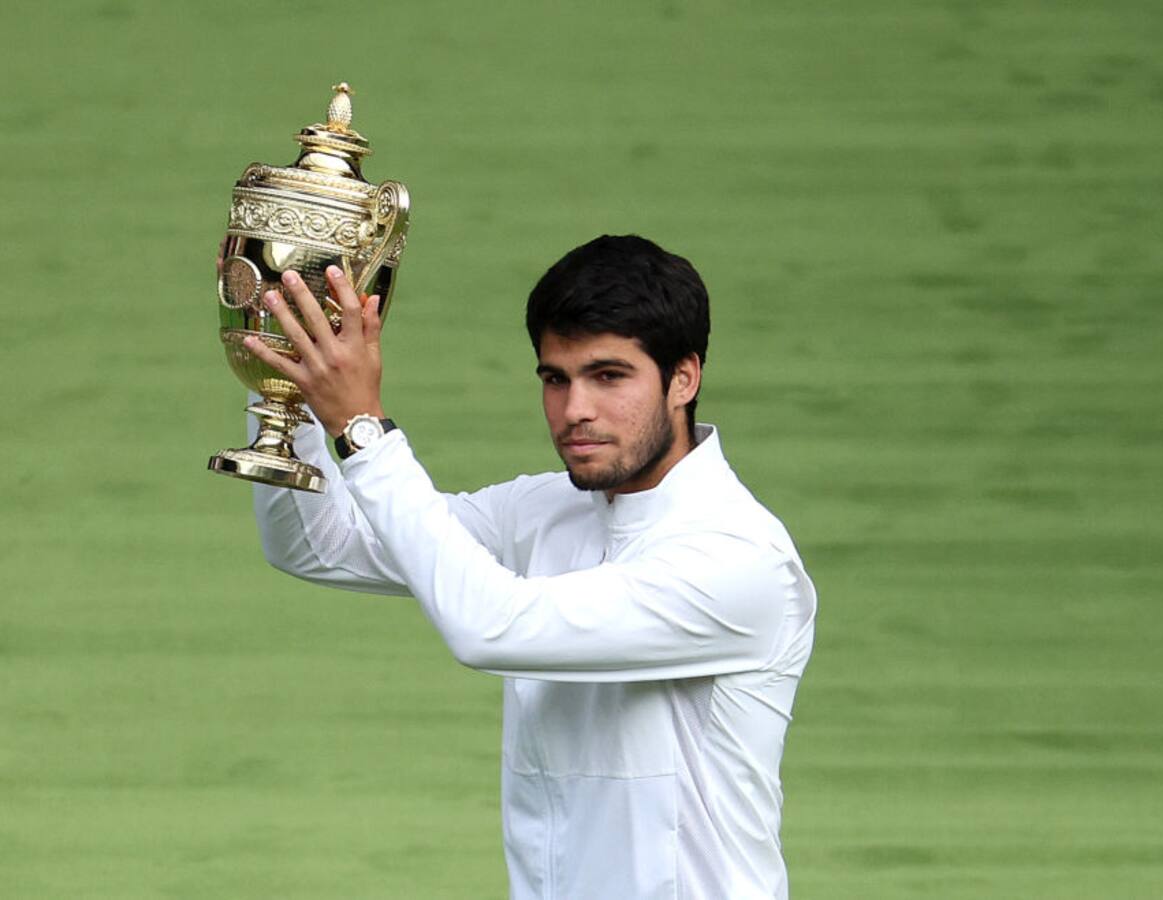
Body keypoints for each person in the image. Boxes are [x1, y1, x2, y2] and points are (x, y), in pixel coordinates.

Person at [243, 235, 817, 899]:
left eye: (609, 376)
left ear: (683, 378)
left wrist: (364, 431)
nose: (576, 410)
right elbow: (318, 545)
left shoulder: (737, 558)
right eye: (555, 378)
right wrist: (289, 391)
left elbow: (493, 628)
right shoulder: (545, 510)